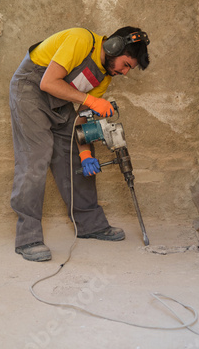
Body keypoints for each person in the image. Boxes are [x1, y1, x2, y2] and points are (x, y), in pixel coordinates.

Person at [9, 26, 150, 261]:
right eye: (126, 64)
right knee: (36, 156)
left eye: (129, 69)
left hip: (60, 101)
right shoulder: (81, 40)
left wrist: (84, 153)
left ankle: (90, 225)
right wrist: (91, 100)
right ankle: (28, 237)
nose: (125, 72)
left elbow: (82, 119)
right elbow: (48, 83)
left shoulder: (104, 77)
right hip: (30, 90)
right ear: (114, 47)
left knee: (75, 152)